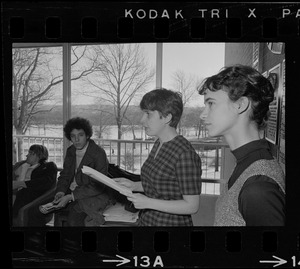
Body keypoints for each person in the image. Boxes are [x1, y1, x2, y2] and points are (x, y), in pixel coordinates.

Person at [198, 64, 285, 226]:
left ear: (241, 105)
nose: (203, 114)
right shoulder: (247, 163)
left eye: (211, 103)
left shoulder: (258, 187)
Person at [114, 88, 202, 226]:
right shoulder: (159, 143)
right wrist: (133, 185)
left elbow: (191, 206)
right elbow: (161, 185)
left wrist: (148, 202)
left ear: (167, 117)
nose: (142, 120)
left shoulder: (184, 154)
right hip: (148, 220)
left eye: (148, 114)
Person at [52, 117, 113, 226]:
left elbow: (98, 185)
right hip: (71, 192)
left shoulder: (98, 153)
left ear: (88, 135)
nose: (76, 140)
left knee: (73, 220)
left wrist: (71, 196)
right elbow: (65, 174)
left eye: (80, 135)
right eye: (73, 136)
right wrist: (60, 191)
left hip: (91, 194)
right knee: (48, 209)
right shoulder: (70, 151)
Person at [12, 144, 57, 221]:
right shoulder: (23, 165)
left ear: (38, 155)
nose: (27, 155)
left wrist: (21, 184)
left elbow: (46, 181)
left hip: (33, 197)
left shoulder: (49, 166)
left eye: (30, 153)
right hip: (18, 193)